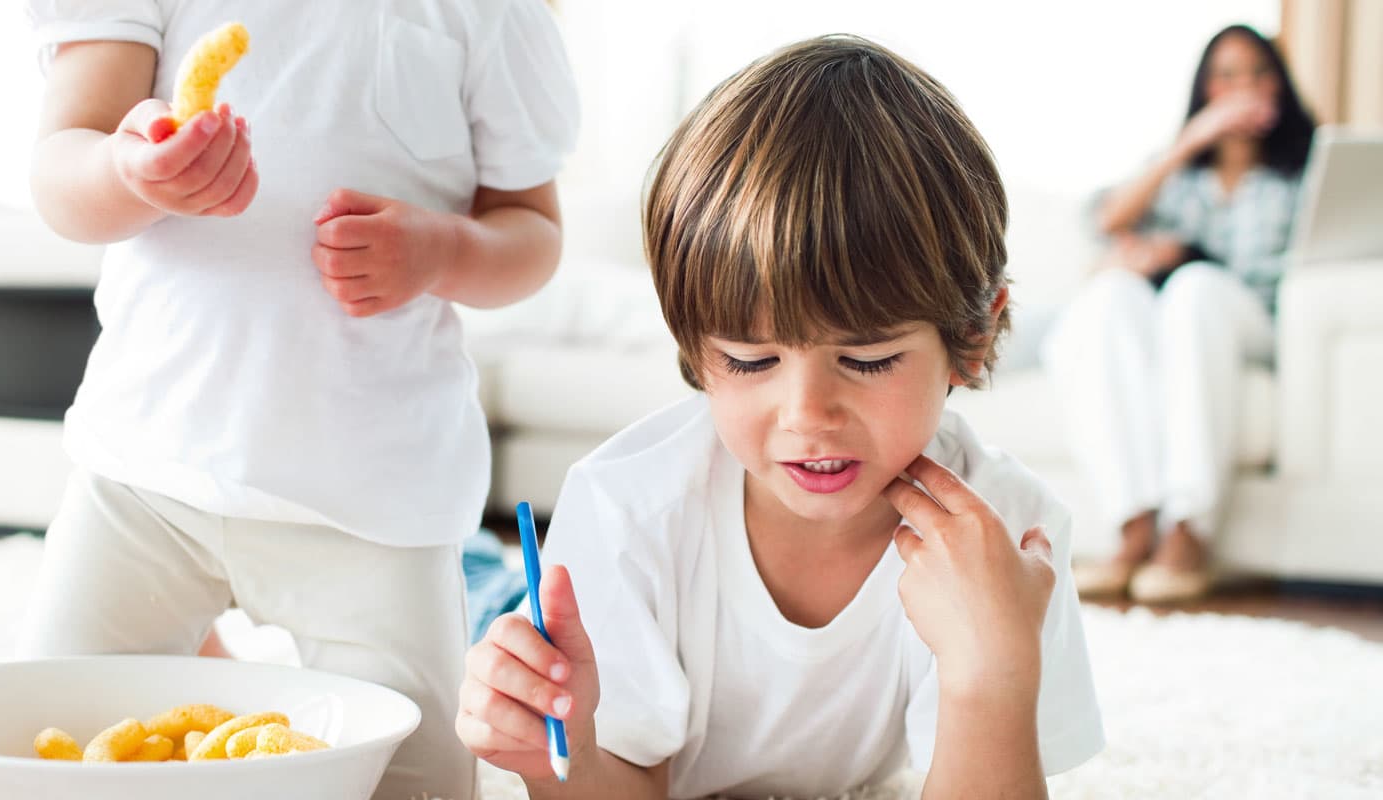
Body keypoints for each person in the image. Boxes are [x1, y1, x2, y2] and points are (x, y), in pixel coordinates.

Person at [454, 35, 1103, 799]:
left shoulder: (1010, 541)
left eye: (865, 361)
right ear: (697, 352)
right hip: (533, 595)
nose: (808, 416)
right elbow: (620, 782)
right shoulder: (626, 511)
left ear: (975, 335)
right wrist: (553, 755)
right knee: (465, 597)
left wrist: (991, 675)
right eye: (752, 362)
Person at [16, 2, 579, 797]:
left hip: (376, 503)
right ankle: (217, 682)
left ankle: (234, 690)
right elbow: (60, 167)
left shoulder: (489, 14)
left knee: (418, 783)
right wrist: (124, 170)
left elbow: (533, 231)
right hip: (147, 477)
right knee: (37, 753)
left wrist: (443, 249)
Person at [1042, 24, 1315, 603]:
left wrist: (1189, 261)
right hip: (1182, 320)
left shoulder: (1304, 169)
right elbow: (1105, 220)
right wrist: (1191, 144)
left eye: (1258, 72)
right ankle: (1135, 522)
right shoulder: (1179, 174)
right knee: (1110, 295)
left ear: (1279, 84)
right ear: (1205, 91)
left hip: (1256, 322)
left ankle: (1189, 528)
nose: (1245, 87)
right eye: (1227, 75)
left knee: (1196, 289)